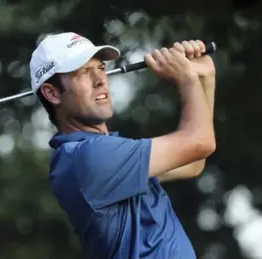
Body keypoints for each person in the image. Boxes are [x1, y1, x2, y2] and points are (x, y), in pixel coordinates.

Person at [29, 32, 216, 259]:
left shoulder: (107, 151)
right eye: (83, 72)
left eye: (100, 68)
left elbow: (193, 162)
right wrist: (187, 79)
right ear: (52, 93)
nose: (100, 80)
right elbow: (200, 142)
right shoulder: (86, 158)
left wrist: (205, 77)